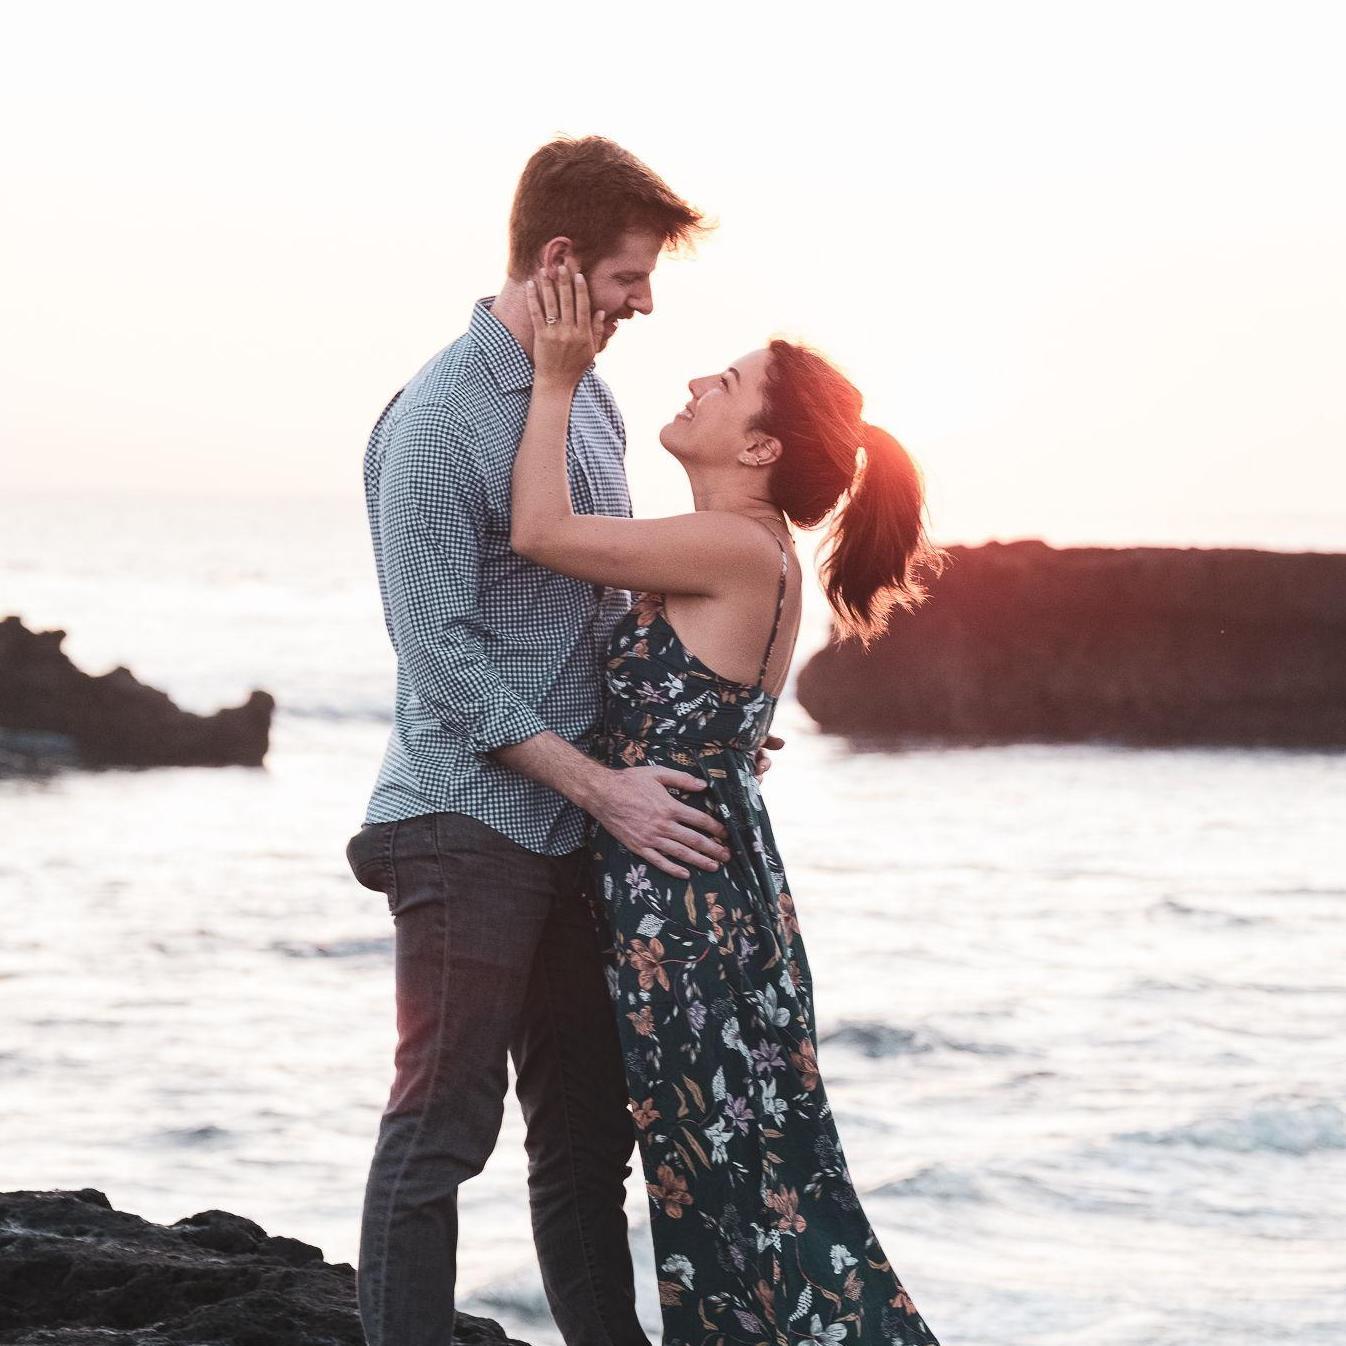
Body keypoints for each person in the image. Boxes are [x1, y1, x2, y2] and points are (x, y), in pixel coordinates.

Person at [344, 136, 782, 1346]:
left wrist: (697, 721)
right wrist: (605, 789)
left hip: (579, 822)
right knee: (440, 1121)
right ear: (558, 260)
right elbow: (443, 664)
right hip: (462, 820)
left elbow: (591, 606)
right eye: (631, 276)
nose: (645, 301)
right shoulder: (436, 420)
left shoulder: (584, 392)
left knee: (589, 1135)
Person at [509, 263, 947, 1346]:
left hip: (682, 904)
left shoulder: (727, 544)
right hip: (703, 884)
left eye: (731, 380)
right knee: (741, 1165)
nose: (701, 378)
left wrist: (556, 378)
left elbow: (537, 534)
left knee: (735, 1177)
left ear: (758, 449)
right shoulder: (748, 550)